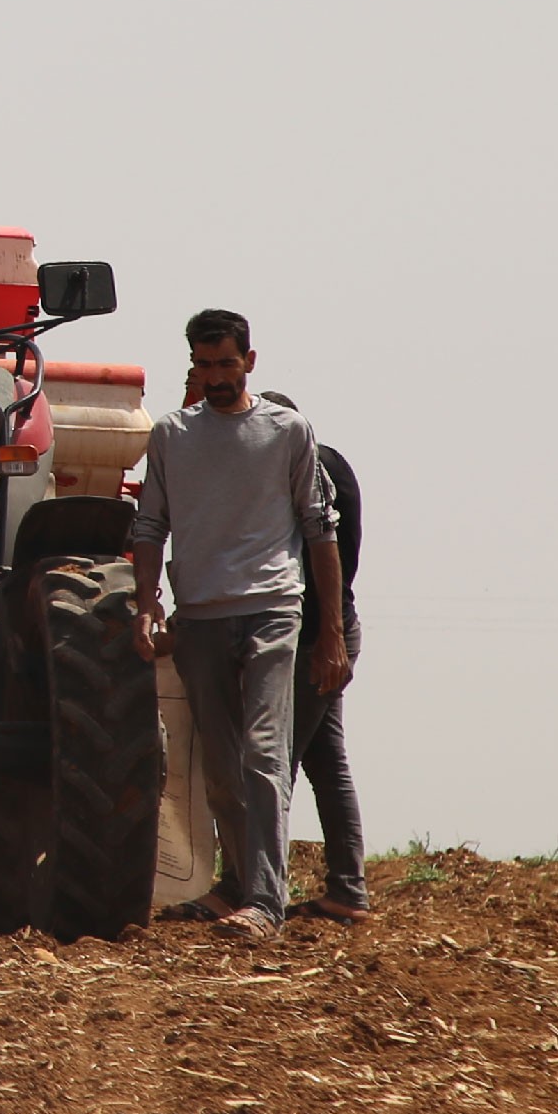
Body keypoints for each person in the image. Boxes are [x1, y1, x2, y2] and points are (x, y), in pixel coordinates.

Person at [130, 309, 350, 943]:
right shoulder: (172, 434)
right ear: (192, 366)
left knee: (262, 751)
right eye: (204, 365)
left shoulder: (287, 432)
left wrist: (330, 632)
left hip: (272, 610)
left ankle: (265, 901)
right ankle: (236, 883)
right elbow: (150, 526)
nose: (217, 376)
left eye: (227, 363)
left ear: (250, 361)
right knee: (221, 766)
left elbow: (319, 531)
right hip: (201, 615)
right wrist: (149, 603)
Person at [260, 391, 367, 921]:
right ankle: (347, 889)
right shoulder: (334, 465)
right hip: (336, 627)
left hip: (313, 637)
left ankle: (258, 891)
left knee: (274, 760)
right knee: (325, 760)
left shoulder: (302, 475)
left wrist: (327, 639)